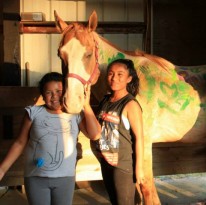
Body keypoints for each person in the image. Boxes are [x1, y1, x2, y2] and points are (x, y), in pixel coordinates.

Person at [0, 72, 101, 205]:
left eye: (59, 91)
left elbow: (95, 134)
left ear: (66, 92)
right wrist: (2, 169)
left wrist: (86, 105)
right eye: (49, 92)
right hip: (36, 177)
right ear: (42, 94)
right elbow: (20, 143)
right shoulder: (33, 112)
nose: (54, 97)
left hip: (65, 179)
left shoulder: (75, 114)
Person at [90, 58, 144, 205]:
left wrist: (139, 168)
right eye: (111, 74)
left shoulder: (130, 104)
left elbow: (139, 138)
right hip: (106, 161)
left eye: (120, 74)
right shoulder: (105, 101)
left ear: (129, 78)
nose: (114, 78)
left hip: (123, 165)